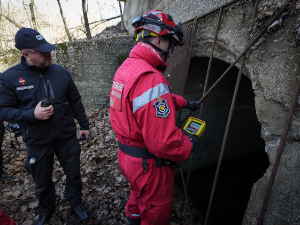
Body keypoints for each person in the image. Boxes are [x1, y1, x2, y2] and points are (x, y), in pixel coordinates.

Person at [109, 10, 200, 225]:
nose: (171, 51)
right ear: (159, 39)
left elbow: (147, 102)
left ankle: (133, 218)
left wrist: (185, 103)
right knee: (155, 213)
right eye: (171, 44)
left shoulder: (127, 68)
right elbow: (162, 142)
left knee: (138, 195)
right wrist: (188, 145)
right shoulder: (151, 78)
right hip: (148, 166)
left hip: (127, 157)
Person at [0, 27, 90, 225]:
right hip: (37, 142)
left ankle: (75, 201)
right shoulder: (9, 78)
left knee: (74, 174)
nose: (49, 54)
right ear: (26, 54)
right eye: (43, 51)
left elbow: (75, 100)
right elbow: (3, 110)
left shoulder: (61, 72)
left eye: (49, 49)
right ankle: (47, 207)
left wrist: (84, 125)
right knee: (42, 181)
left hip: (66, 137)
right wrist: (31, 114)